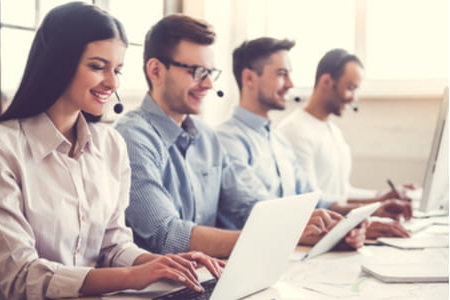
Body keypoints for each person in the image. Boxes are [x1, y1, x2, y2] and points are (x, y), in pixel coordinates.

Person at [0, 3, 223, 299]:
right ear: (58, 63)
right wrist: (132, 276)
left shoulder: (110, 145)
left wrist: (164, 264)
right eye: (98, 67)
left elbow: (113, 246)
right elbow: (20, 276)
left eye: (117, 70)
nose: (112, 83)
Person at [115, 15, 363, 258]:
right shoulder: (133, 137)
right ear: (156, 71)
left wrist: (321, 228)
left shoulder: (207, 138)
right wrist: (284, 233)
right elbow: (165, 235)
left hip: (207, 278)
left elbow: (246, 207)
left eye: (211, 72)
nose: (209, 84)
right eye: (197, 71)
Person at [216, 37, 367, 247]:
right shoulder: (227, 141)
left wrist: (352, 220)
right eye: (281, 74)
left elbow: (312, 200)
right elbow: (257, 210)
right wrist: (329, 231)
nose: (290, 84)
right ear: (249, 78)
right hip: (257, 255)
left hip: (292, 253)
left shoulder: (279, 142)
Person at [278, 48, 412, 238]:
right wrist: (373, 210)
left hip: (338, 229)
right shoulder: (295, 130)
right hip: (320, 235)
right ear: (326, 81)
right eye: (350, 88)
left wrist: (380, 197)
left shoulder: (333, 132)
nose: (353, 97)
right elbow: (314, 201)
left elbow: (341, 191)